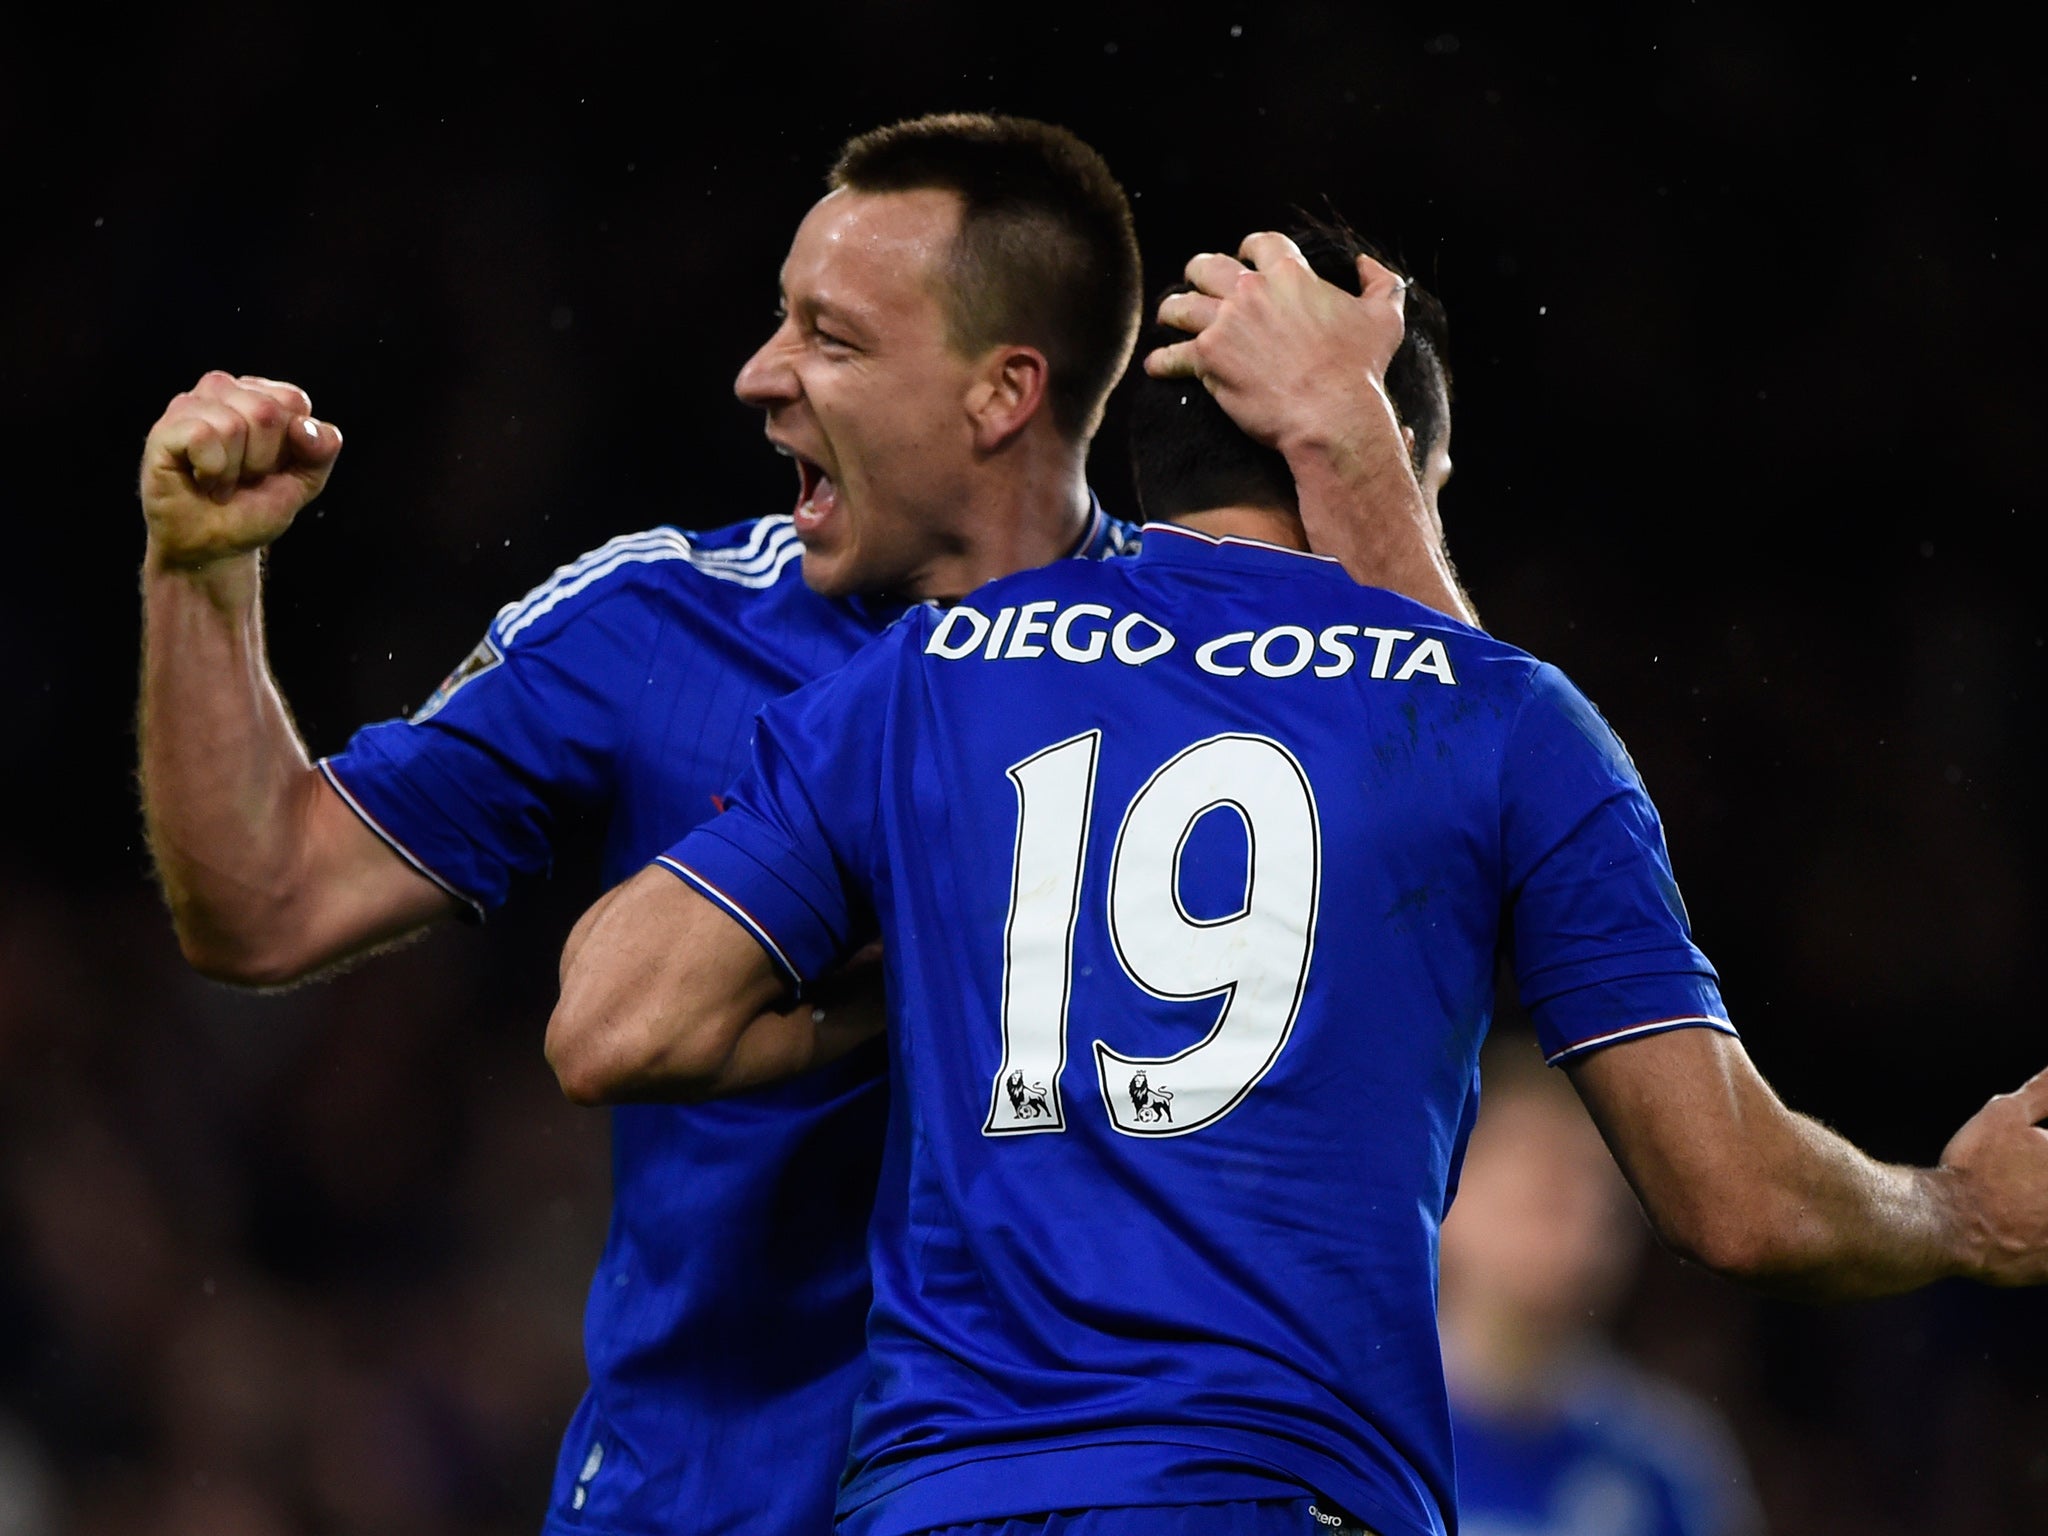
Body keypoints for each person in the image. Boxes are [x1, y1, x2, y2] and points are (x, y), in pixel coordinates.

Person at [546, 223, 2048, 1536]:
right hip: (1270, 1489)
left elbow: (614, 1025)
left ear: (1150, 461)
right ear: (1417, 469)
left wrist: (969, 975)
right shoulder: (1502, 723)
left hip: (942, 1499)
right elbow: (1739, 1204)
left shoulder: (932, 672)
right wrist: (1959, 1212)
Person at [135, 116, 1468, 1534]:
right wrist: (201, 579)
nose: (760, 375)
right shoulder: (657, 626)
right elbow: (264, 902)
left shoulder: (1200, 675)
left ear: (1002, 392)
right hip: (702, 1498)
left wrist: (1367, 467)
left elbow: (1516, 837)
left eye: (828, 337)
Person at [1440, 1038, 1763, 1536]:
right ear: (1445, 1199)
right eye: (1532, 1180)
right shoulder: (1343, 1433)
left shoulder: (1668, 1463)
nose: (1558, 1199)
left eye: (1588, 1179)